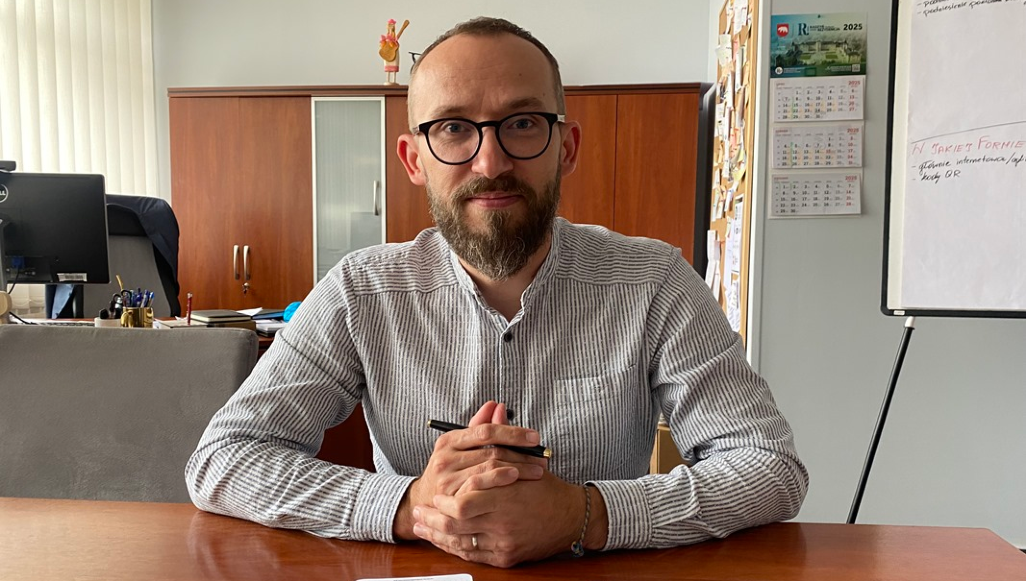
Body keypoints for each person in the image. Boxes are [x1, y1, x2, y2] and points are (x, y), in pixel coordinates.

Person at [186, 16, 808, 569]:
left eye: (523, 123)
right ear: (413, 160)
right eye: (454, 128)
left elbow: (768, 466)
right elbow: (223, 458)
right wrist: (412, 505)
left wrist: (585, 515)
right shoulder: (360, 292)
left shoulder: (653, 281)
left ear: (567, 148)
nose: (490, 163)